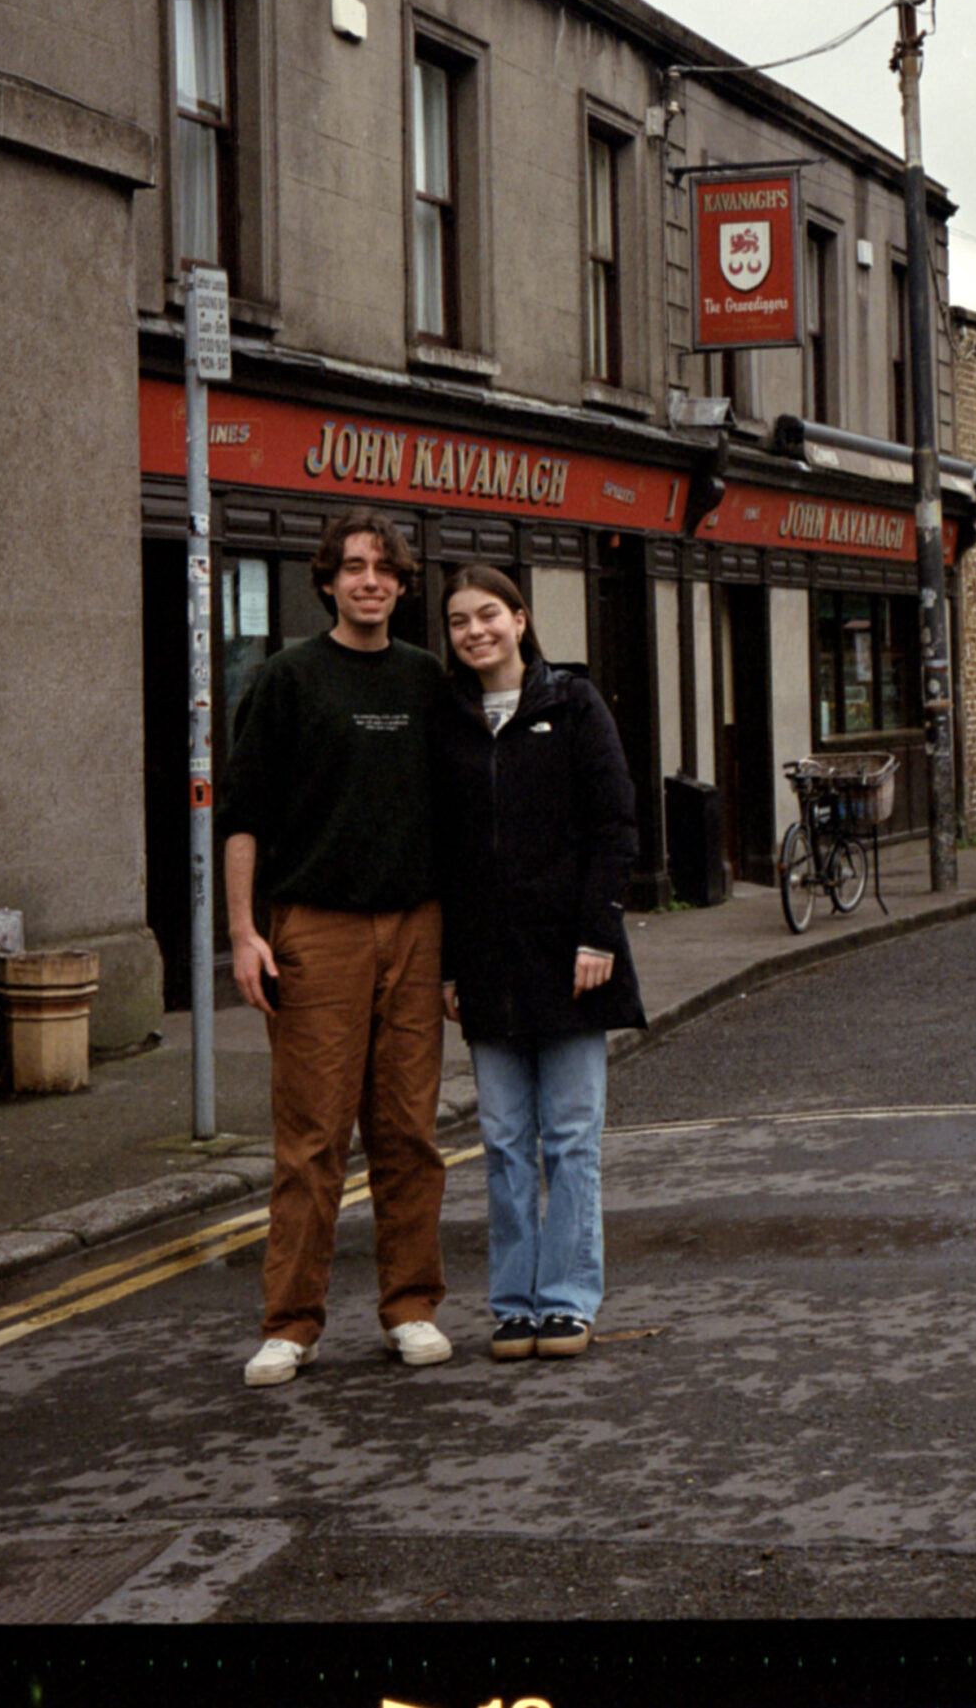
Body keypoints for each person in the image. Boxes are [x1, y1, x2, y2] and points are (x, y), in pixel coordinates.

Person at [218, 512, 453, 1385]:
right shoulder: (287, 679)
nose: (368, 580)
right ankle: (291, 1321)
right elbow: (241, 817)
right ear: (328, 582)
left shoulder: (429, 681)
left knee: (408, 1131)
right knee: (312, 1137)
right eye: (352, 567)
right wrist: (244, 934)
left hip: (417, 926)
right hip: (313, 927)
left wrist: (455, 950)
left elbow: (458, 816)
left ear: (401, 583)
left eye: (383, 568)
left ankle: (412, 1306)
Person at [433, 565, 646, 1361]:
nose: (475, 630)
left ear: (520, 620)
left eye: (489, 613)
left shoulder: (573, 703)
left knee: (570, 1137)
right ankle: (515, 1303)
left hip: (571, 958)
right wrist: (448, 967)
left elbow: (613, 824)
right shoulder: (448, 719)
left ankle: (567, 1299)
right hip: (487, 964)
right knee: (503, 1140)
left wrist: (598, 935)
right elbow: (446, 855)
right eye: (459, 620)